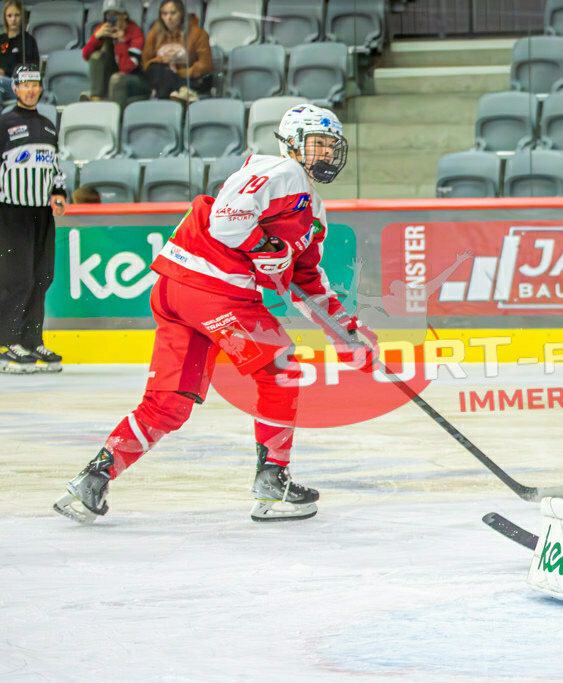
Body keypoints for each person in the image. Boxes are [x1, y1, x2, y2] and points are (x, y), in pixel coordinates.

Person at [54, 104, 377, 525]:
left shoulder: (311, 210)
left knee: (169, 402)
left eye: (331, 146)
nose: (326, 154)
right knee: (279, 368)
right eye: (317, 144)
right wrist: (266, 247)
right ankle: (272, 482)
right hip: (215, 290)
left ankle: (93, 479)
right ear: (292, 144)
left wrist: (345, 332)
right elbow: (227, 221)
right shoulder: (281, 172)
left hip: (178, 292)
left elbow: (308, 284)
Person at [0, 65, 67, 374]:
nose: (30, 89)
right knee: (17, 278)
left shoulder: (48, 125)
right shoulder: (4, 124)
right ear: (14, 89)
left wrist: (59, 191)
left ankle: (31, 339)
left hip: (41, 212)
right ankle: (7, 343)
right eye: (24, 85)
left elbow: (56, 165)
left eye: (35, 84)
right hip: (11, 212)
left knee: (42, 276)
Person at [141, 0, 211, 104]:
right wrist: (163, 60)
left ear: (181, 14)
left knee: (165, 77)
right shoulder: (155, 32)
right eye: (164, 14)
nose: (169, 18)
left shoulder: (198, 33)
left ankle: (166, 103)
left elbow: (205, 65)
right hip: (159, 77)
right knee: (159, 69)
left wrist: (180, 73)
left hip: (186, 78)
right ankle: (178, 94)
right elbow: (145, 63)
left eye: (173, 13)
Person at [81, 0, 146, 107]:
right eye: (108, 15)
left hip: (135, 78)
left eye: (115, 15)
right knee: (96, 57)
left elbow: (127, 69)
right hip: (112, 73)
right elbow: (86, 55)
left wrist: (120, 42)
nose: (111, 19)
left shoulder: (135, 33)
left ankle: (115, 115)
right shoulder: (104, 28)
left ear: (124, 15)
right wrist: (97, 38)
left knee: (117, 79)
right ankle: (95, 99)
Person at [0, 1, 38, 102]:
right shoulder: (1, 40)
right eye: (9, 16)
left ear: (22, 17)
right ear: (5, 18)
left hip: (21, 85)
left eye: (17, 15)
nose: (13, 19)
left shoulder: (28, 41)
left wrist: (5, 72)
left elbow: (31, 69)